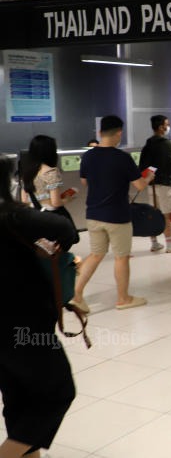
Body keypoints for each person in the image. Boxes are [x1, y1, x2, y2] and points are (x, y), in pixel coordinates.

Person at [0, 155, 78, 458]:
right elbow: (64, 228)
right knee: (58, 392)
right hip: (24, 325)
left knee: (20, 398)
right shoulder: (11, 216)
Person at [71, 115, 154, 313]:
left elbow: (84, 182)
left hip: (93, 214)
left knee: (96, 254)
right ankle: (123, 298)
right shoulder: (122, 158)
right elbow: (140, 185)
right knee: (121, 257)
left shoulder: (88, 156)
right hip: (117, 216)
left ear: (99, 133)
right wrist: (150, 175)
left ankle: (76, 294)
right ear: (119, 133)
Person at [19, 135, 79, 244]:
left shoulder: (26, 172)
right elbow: (55, 203)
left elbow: (24, 201)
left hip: (33, 217)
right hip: (50, 218)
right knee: (59, 248)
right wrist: (68, 199)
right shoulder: (50, 172)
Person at [139, 115, 171, 254]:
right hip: (165, 183)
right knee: (166, 215)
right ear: (161, 127)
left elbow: (143, 165)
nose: (168, 127)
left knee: (153, 214)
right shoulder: (166, 143)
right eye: (166, 124)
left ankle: (154, 243)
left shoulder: (148, 143)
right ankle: (170, 244)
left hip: (151, 183)